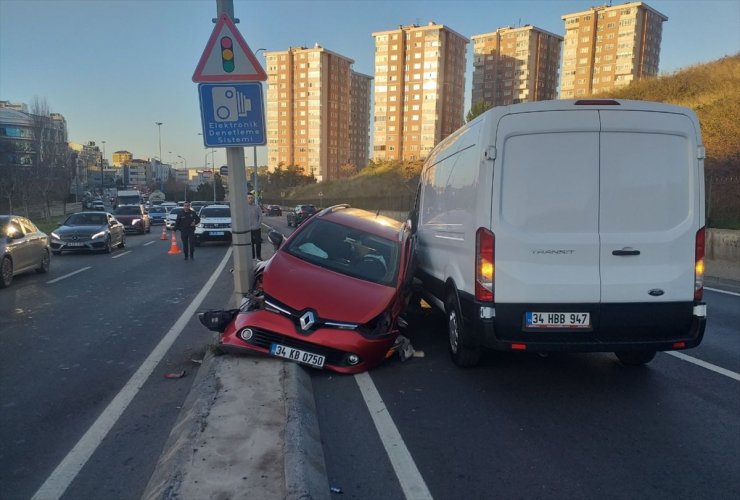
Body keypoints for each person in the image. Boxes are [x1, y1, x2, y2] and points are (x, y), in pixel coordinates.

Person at [247, 193, 263, 260]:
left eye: (251, 197)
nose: (250, 199)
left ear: (253, 198)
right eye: (249, 198)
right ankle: (252, 257)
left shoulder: (257, 207)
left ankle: (258, 256)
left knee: (258, 243)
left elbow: (260, 216)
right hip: (248, 229)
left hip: (257, 228)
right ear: (246, 199)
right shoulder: (244, 207)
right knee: (250, 244)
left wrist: (258, 224)